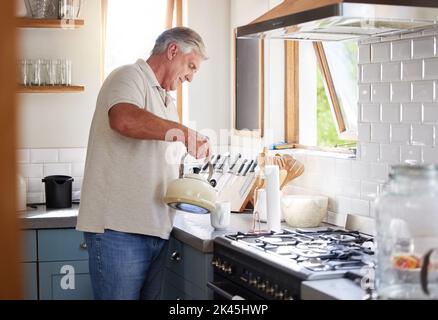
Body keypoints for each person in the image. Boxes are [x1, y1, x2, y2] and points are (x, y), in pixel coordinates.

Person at [76, 27, 210, 300]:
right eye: (191, 66)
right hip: (119, 232)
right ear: (173, 51)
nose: (191, 77)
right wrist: (185, 133)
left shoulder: (167, 101)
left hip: (156, 230)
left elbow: (155, 161)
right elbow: (124, 119)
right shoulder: (127, 76)